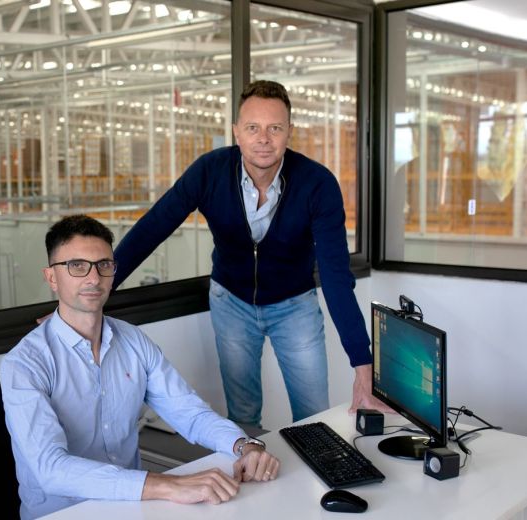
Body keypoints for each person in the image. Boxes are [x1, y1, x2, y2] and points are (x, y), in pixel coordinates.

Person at [113, 80, 392, 426]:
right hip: (231, 303)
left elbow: (336, 276)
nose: (264, 139)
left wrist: (363, 365)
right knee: (243, 418)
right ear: (236, 132)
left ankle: (317, 481)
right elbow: (153, 227)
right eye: (253, 128)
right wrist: (97, 290)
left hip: (295, 306)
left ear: (289, 131)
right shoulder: (209, 172)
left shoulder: (317, 184)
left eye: (275, 128)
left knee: (313, 417)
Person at [0, 215, 280, 520]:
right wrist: (168, 485)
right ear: (52, 278)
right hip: (63, 513)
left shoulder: (133, 341)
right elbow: (51, 469)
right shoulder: (25, 363)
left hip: (132, 507)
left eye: (103, 265)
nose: (93, 278)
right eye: (77, 266)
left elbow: (190, 413)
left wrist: (244, 445)